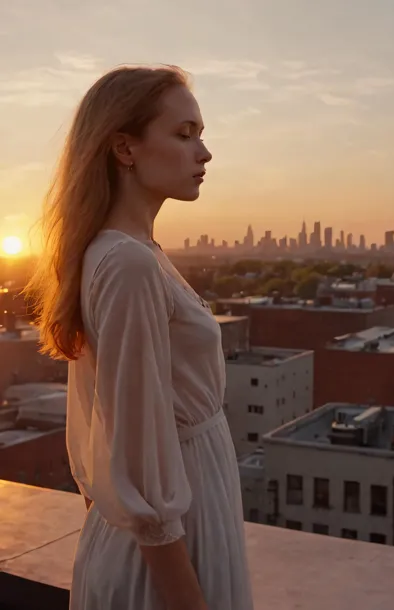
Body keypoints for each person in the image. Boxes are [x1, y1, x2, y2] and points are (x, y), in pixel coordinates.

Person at [24, 65, 254, 610]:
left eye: (200, 134)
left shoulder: (128, 254)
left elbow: (99, 439)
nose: (204, 152)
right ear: (124, 148)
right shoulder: (128, 264)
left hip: (172, 531)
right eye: (183, 133)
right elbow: (131, 453)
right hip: (165, 559)